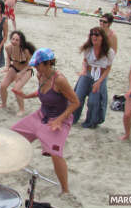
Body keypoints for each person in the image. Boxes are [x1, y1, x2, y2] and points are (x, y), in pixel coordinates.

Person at [11, 48, 80, 194]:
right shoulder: (40, 75)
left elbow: (75, 102)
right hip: (41, 115)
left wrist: (59, 121)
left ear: (48, 63)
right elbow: (41, 92)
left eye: (38, 65)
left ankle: (65, 190)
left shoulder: (60, 80)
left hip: (59, 119)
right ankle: (13, 163)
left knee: (55, 154)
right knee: (14, 134)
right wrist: (25, 96)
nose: (36, 68)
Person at [73, 27, 115, 129]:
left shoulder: (109, 52)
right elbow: (85, 61)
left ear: (102, 38)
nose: (93, 36)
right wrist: (83, 70)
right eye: (92, 34)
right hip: (87, 74)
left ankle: (91, 122)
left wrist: (99, 82)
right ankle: (72, 118)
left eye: (96, 35)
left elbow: (108, 68)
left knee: (93, 101)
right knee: (78, 96)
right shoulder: (88, 48)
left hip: (100, 76)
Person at [0, 30, 36, 116]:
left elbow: (30, 65)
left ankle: (22, 109)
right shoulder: (8, 48)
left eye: (17, 40)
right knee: (3, 86)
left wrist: (21, 74)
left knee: (17, 89)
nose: (14, 41)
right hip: (14, 68)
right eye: (13, 39)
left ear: (21, 41)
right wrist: (7, 67)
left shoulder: (26, 51)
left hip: (27, 70)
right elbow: (8, 58)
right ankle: (3, 104)